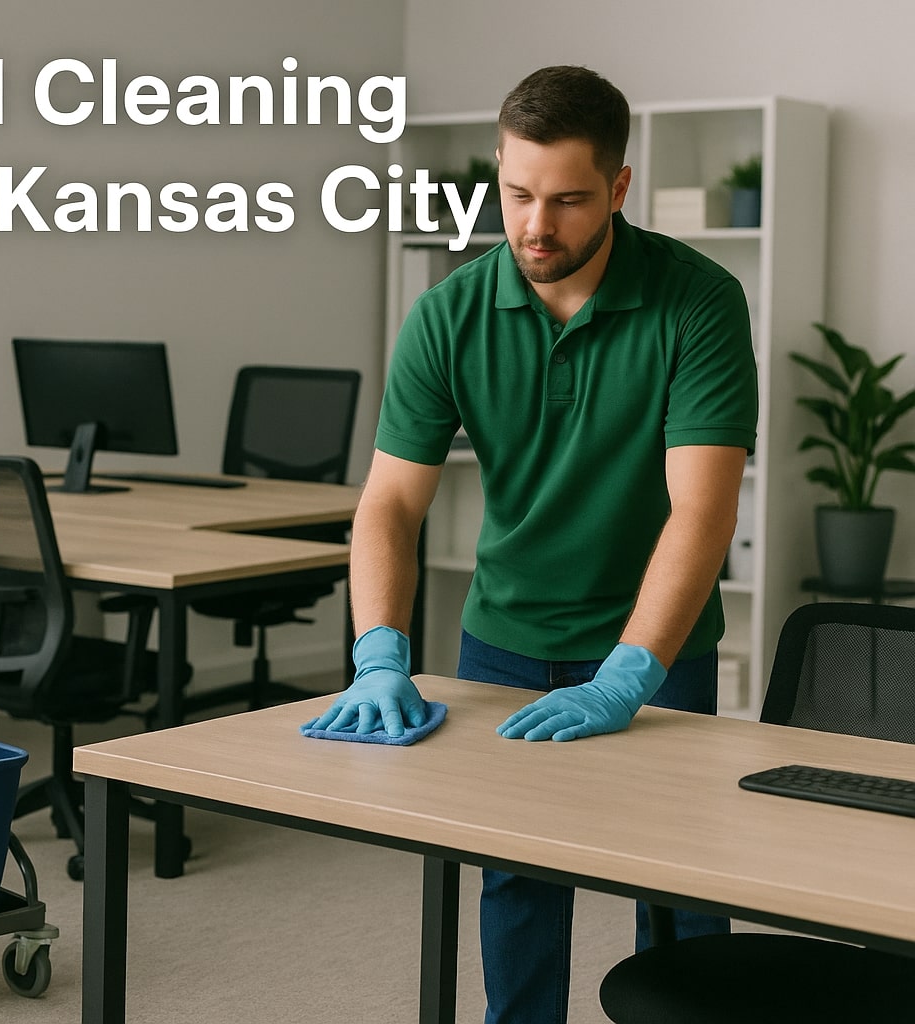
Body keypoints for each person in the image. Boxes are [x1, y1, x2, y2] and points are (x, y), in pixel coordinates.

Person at [308, 65, 756, 1024]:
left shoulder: (698, 303)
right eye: (516, 194)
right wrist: (378, 650)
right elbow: (389, 501)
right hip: (504, 637)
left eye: (567, 200)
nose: (535, 225)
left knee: (678, 889)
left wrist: (630, 672)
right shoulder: (447, 314)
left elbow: (702, 513)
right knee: (516, 881)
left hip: (653, 646)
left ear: (619, 190)